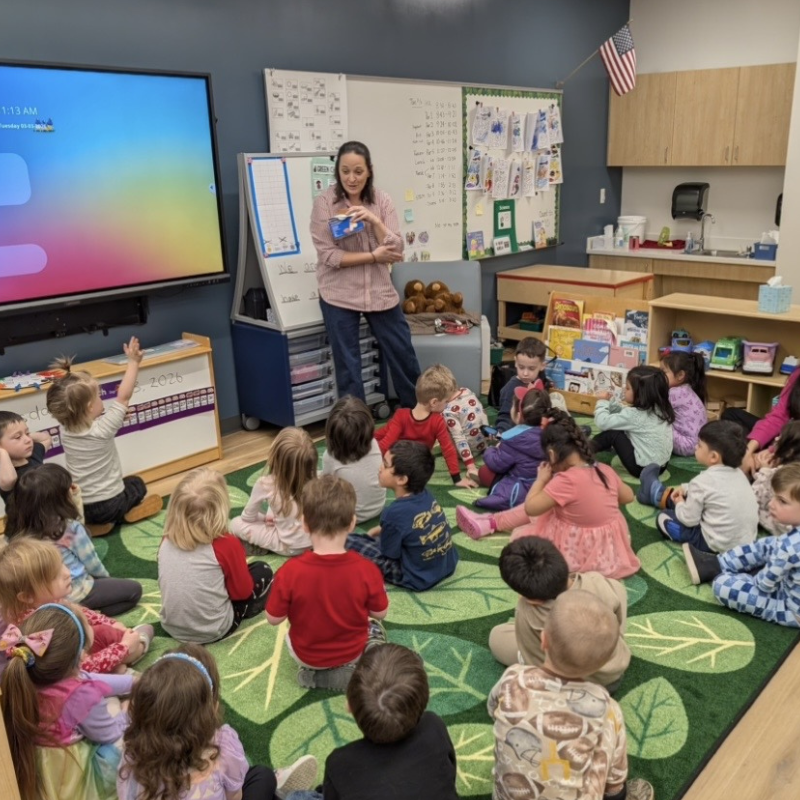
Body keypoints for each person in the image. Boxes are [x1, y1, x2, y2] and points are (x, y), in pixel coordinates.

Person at [488, 591, 653, 800]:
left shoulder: (513, 678)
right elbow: (615, 776)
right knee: (609, 762)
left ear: (543, 639)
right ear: (602, 663)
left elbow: (493, 709)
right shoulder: (606, 707)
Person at [118, 643, 318, 800]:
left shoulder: (130, 749)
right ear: (212, 709)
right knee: (262, 776)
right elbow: (236, 797)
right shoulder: (222, 746)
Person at [310, 140, 420, 408]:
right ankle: (356, 434)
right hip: (339, 294)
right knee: (348, 367)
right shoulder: (325, 204)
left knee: (402, 353)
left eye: (358, 171)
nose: (352, 178)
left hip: (379, 291)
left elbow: (396, 248)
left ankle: (420, 416)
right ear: (338, 171)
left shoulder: (381, 200)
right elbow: (330, 256)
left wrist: (374, 220)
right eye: (345, 171)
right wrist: (373, 257)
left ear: (369, 171)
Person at [285, 644, 458, 800]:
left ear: (349, 706)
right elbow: (449, 774)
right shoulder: (434, 727)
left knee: (296, 797)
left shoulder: (341, 763)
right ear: (425, 698)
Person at [266, 476, 389, 691]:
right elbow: (380, 613)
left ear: (304, 523)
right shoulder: (367, 569)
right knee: (375, 628)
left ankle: (317, 676)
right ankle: (352, 667)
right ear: (352, 522)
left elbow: (273, 619)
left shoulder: (289, 572)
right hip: (354, 650)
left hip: (306, 655)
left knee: (290, 636)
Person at [1, 603, 135, 800]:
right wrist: (127, 713)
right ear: (81, 656)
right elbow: (109, 734)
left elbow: (87, 677)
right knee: (130, 742)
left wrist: (132, 682)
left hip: (35, 765)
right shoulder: (81, 695)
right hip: (71, 777)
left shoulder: (23, 672)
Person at [46, 336, 162, 536]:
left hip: (82, 505)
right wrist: (133, 362)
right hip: (111, 503)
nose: (102, 398)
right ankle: (122, 515)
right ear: (90, 407)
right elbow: (124, 396)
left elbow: (90, 424)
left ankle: (97, 523)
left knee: (121, 487)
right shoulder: (102, 430)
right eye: (99, 396)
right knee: (137, 484)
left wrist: (115, 417)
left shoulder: (65, 430)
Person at [489, 537, 630, 690]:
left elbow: (533, 659)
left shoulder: (529, 614)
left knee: (497, 636)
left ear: (533, 600)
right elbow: (619, 598)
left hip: (566, 683)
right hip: (612, 674)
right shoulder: (598, 582)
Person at [4, 464, 143, 616]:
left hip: (41, 596)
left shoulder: (14, 530)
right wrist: (106, 580)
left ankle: (69, 613)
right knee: (134, 591)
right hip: (75, 589)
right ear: (59, 500)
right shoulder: (69, 528)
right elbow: (92, 564)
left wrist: (75, 498)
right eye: (67, 491)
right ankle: (84, 614)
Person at [0, 537, 152, 677]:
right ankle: (133, 653)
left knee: (106, 630)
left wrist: (112, 623)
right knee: (132, 641)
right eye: (54, 576)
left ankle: (120, 664)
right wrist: (124, 648)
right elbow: (79, 670)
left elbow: (85, 613)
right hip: (69, 677)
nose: (67, 573)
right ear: (27, 596)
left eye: (63, 565)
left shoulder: (47, 602)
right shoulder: (43, 631)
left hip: (80, 656)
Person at [158, 467, 273, 643]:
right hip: (215, 628)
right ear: (221, 509)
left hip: (172, 627)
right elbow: (241, 593)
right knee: (262, 570)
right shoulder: (226, 543)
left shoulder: (166, 540)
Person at [683, 463, 800, 628]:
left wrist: (751, 577)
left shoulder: (789, 546)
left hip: (788, 609)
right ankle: (717, 564)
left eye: (781, 501)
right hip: (789, 588)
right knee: (770, 544)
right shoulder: (789, 541)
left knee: (722, 585)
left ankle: (719, 567)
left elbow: (764, 585)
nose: (771, 504)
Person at [347, 441, 459, 590]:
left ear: (401, 479)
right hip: (446, 564)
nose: (380, 468)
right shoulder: (426, 494)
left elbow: (389, 554)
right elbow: (412, 525)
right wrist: (383, 530)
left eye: (385, 466)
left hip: (417, 576)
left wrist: (379, 534)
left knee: (347, 540)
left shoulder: (393, 513)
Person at [637, 420, 758, 553]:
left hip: (713, 543)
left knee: (664, 517)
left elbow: (689, 520)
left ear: (713, 457)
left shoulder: (702, 483)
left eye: (699, 445)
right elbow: (711, 490)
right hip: (744, 544)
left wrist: (679, 503)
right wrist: (685, 488)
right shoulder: (741, 476)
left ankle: (655, 493)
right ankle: (655, 493)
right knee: (692, 498)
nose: (695, 447)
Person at [374, 367, 477, 487]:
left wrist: (375, 460)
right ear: (434, 402)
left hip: (398, 462)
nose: (447, 405)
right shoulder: (437, 421)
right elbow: (448, 449)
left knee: (378, 438)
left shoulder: (401, 415)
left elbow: (385, 442)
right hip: (418, 467)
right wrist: (457, 479)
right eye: (446, 402)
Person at [231, 427, 316, 555]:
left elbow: (248, 518)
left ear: (275, 458)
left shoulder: (265, 484)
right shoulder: (318, 480)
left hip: (288, 546)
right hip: (316, 541)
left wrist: (263, 518)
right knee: (275, 510)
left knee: (235, 523)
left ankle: (261, 547)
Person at [474, 386, 550, 511]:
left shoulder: (513, 440)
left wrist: (491, 450)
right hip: (547, 484)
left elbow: (497, 464)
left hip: (522, 488)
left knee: (484, 471)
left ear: (519, 414)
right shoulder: (553, 431)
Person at [592, 365, 674, 479]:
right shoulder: (660, 408)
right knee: (620, 426)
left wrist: (602, 402)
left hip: (641, 470)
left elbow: (602, 422)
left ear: (641, 394)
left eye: (628, 388)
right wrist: (610, 402)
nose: (624, 389)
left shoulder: (634, 415)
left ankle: (584, 450)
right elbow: (626, 413)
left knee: (613, 434)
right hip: (661, 467)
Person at [320, 396, 386, 523]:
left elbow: (325, 487)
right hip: (378, 507)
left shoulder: (330, 457)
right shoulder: (373, 443)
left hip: (349, 516)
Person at [422, 363, 488, 481]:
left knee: (438, 422)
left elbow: (459, 438)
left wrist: (471, 466)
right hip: (483, 443)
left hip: (468, 450)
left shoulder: (448, 411)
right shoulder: (466, 391)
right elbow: (482, 415)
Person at [751, 420, 800, 535]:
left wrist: (764, 471)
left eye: (780, 437)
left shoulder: (778, 474)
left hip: (778, 529)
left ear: (789, 451)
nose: (777, 439)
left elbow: (754, 498)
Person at [496, 337, 550, 434]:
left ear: (542, 366)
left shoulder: (539, 378)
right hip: (518, 431)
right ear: (516, 362)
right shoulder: (510, 389)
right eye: (521, 367)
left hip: (538, 424)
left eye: (531, 369)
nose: (525, 373)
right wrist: (501, 434)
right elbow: (504, 416)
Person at [661, 350, 708, 456]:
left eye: (663, 372)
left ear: (680, 375)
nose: (659, 376)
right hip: (699, 444)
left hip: (686, 445)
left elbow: (656, 409)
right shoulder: (687, 389)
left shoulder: (674, 393)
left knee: (654, 420)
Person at [0, 410, 52, 502]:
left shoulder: (33, 454)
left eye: (27, 433)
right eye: (17, 437)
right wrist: (2, 452)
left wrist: (24, 435)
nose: (28, 440)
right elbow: (9, 481)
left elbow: (46, 438)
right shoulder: (4, 472)